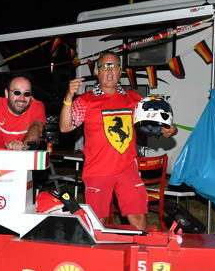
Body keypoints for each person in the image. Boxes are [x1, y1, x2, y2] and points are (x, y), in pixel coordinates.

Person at [59, 52, 177, 230]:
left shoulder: (133, 98)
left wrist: (168, 129)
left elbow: (154, 124)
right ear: (97, 72)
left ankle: (139, 256)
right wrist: (68, 97)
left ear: (120, 71)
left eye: (113, 66)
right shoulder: (85, 100)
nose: (109, 71)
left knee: (139, 220)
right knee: (99, 225)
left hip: (127, 169)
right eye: (104, 67)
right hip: (98, 171)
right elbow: (65, 127)